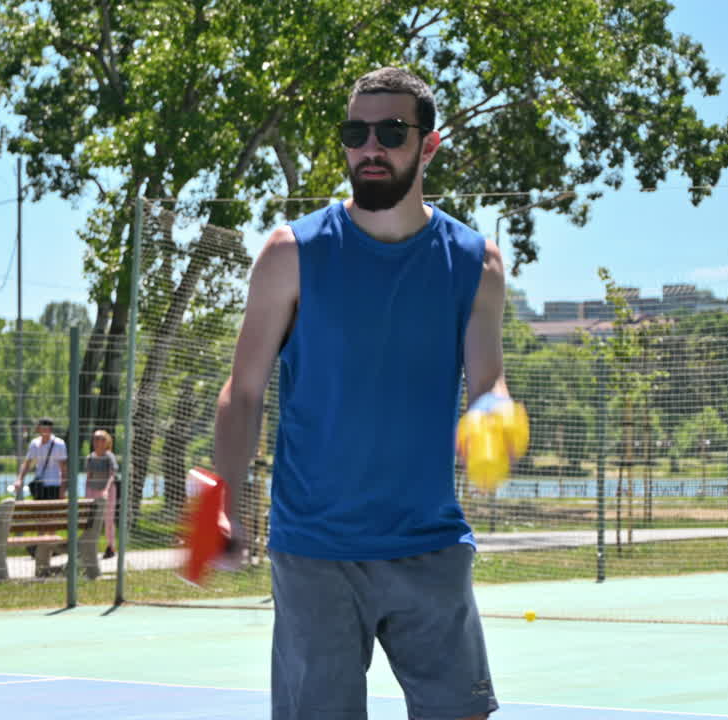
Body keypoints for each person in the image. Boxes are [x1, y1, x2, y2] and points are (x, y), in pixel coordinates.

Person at [212, 67, 506, 719]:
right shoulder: (291, 253)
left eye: (391, 132)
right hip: (315, 551)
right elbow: (243, 391)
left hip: (431, 544)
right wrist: (225, 503)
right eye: (355, 132)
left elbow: (487, 381)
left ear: (428, 145)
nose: (370, 148)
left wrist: (494, 413)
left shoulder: (476, 263)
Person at [84, 429, 119, 559]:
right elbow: (88, 477)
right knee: (92, 521)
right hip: (93, 490)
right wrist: (86, 493)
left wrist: (106, 489)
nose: (98, 442)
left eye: (102, 439)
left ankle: (111, 547)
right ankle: (90, 548)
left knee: (108, 520)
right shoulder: (90, 457)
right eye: (96, 439)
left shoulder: (109, 456)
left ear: (107, 441)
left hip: (108, 491)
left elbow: (112, 474)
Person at [13, 418, 67, 500]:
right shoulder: (34, 443)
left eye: (46, 429)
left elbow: (63, 469)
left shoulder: (59, 444)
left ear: (50, 429)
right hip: (39, 485)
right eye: (41, 429)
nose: (43, 431)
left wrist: (62, 490)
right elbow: (27, 463)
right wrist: (19, 479)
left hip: (54, 485)